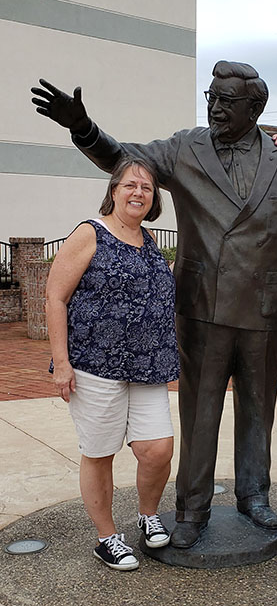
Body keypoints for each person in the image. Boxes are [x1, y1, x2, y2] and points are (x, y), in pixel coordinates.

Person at [33, 61, 277, 550]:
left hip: (264, 308)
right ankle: (192, 507)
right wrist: (82, 127)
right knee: (199, 411)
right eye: (210, 97)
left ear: (255, 108)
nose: (213, 107)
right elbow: (124, 161)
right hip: (201, 306)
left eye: (225, 101)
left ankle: (254, 494)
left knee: (259, 407)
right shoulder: (185, 148)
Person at [46, 156, 180, 570]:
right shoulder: (91, 233)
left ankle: (147, 514)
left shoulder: (150, 239)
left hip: (148, 366)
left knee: (157, 450)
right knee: (100, 452)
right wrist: (61, 362)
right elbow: (55, 297)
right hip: (94, 365)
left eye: (146, 188)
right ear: (114, 191)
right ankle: (107, 537)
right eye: (130, 185)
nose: (138, 193)